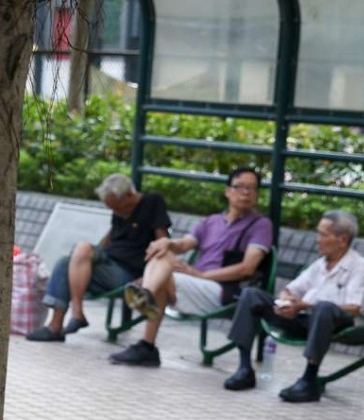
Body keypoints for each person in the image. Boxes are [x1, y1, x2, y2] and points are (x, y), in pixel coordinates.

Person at [109, 167, 274, 367]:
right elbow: (183, 245)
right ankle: (147, 323)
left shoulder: (261, 225)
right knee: (163, 253)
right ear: (228, 191)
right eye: (240, 187)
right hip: (195, 284)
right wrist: (167, 243)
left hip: (224, 291)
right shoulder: (211, 221)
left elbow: (247, 268)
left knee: (165, 273)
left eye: (252, 189)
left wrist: (201, 275)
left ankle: (145, 302)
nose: (246, 193)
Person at [223, 210, 364, 402]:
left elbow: (354, 308)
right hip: (304, 318)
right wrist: (286, 302)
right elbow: (291, 289)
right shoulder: (320, 264)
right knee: (251, 295)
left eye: (323, 234)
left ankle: (309, 380)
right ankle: (244, 368)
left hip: (334, 323)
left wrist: (305, 304)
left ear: (342, 239)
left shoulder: (358, 266)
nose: (317, 239)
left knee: (323, 308)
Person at [27, 174, 171, 342]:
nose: (116, 212)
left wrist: (149, 276)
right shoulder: (120, 210)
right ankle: (55, 327)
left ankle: (77, 313)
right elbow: (111, 236)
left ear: (129, 196)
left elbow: (163, 244)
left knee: (81, 248)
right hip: (107, 263)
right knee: (65, 263)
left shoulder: (152, 202)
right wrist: (88, 256)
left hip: (128, 273)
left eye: (117, 208)